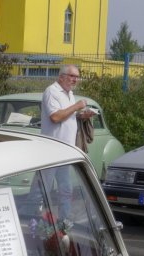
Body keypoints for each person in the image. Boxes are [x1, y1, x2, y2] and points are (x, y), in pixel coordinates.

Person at [40, 65, 95, 217]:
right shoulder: (52, 91)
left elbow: (65, 116)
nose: (75, 80)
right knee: (42, 189)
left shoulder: (69, 94)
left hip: (65, 151)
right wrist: (77, 106)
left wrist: (81, 116)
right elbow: (55, 117)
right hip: (52, 151)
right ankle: (30, 220)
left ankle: (64, 224)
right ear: (61, 77)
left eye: (77, 77)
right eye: (72, 76)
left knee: (66, 190)